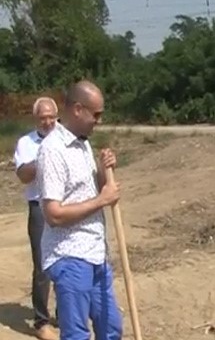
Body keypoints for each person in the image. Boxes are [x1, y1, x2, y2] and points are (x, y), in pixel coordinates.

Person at [35, 80, 123, 340]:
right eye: (96, 114)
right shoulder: (52, 150)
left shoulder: (82, 143)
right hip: (70, 256)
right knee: (76, 334)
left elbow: (89, 191)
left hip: (95, 253)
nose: (99, 120)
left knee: (111, 328)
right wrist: (102, 200)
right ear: (77, 110)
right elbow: (53, 214)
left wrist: (103, 172)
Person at [13, 97, 60, 340]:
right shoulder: (26, 143)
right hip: (39, 207)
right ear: (35, 119)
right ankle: (41, 321)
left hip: (65, 206)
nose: (48, 121)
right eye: (43, 117)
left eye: (51, 117)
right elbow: (23, 175)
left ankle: (64, 313)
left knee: (66, 260)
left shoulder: (66, 138)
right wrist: (44, 155)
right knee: (42, 264)